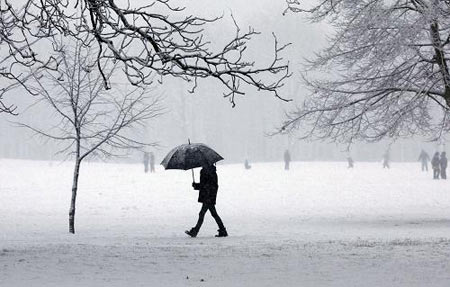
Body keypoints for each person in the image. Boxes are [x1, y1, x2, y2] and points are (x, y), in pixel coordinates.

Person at [186, 164, 227, 238]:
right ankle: (223, 230)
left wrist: (197, 186)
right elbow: (206, 185)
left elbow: (207, 185)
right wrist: (197, 186)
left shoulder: (208, 172)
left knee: (202, 214)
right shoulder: (210, 171)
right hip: (209, 196)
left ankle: (195, 231)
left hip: (208, 196)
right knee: (213, 214)